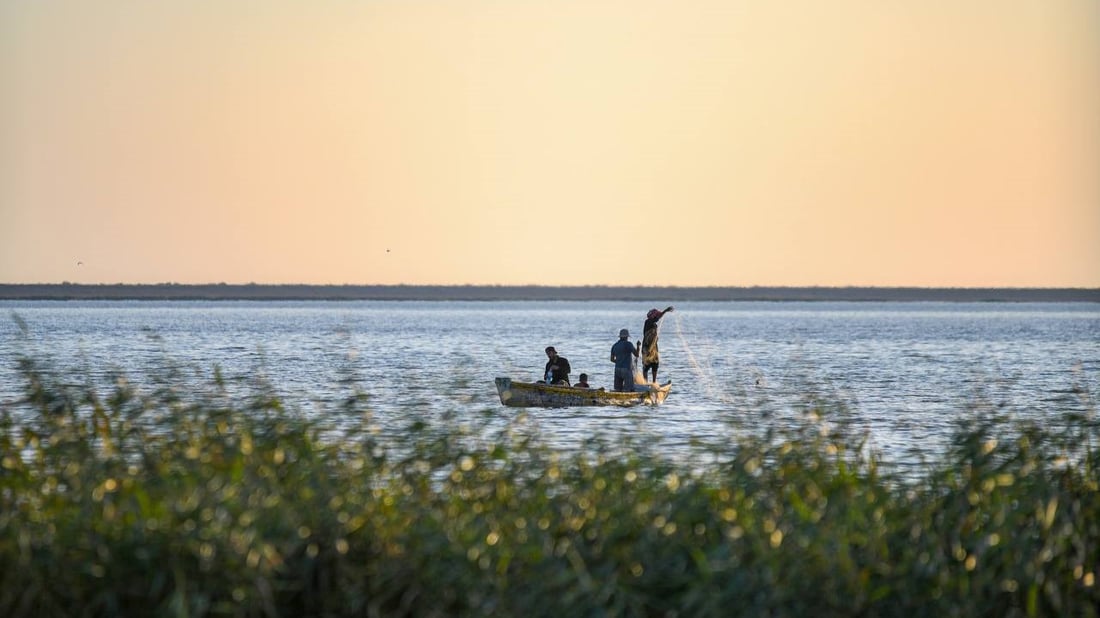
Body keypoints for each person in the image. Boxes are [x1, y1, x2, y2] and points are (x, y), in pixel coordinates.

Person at [641, 306, 674, 383]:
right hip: (647, 347)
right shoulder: (648, 322)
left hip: (654, 348)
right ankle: (645, 383)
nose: (657, 317)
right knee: (646, 366)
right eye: (656, 316)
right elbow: (657, 318)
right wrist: (665, 310)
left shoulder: (653, 324)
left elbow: (656, 320)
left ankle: (653, 382)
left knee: (655, 364)